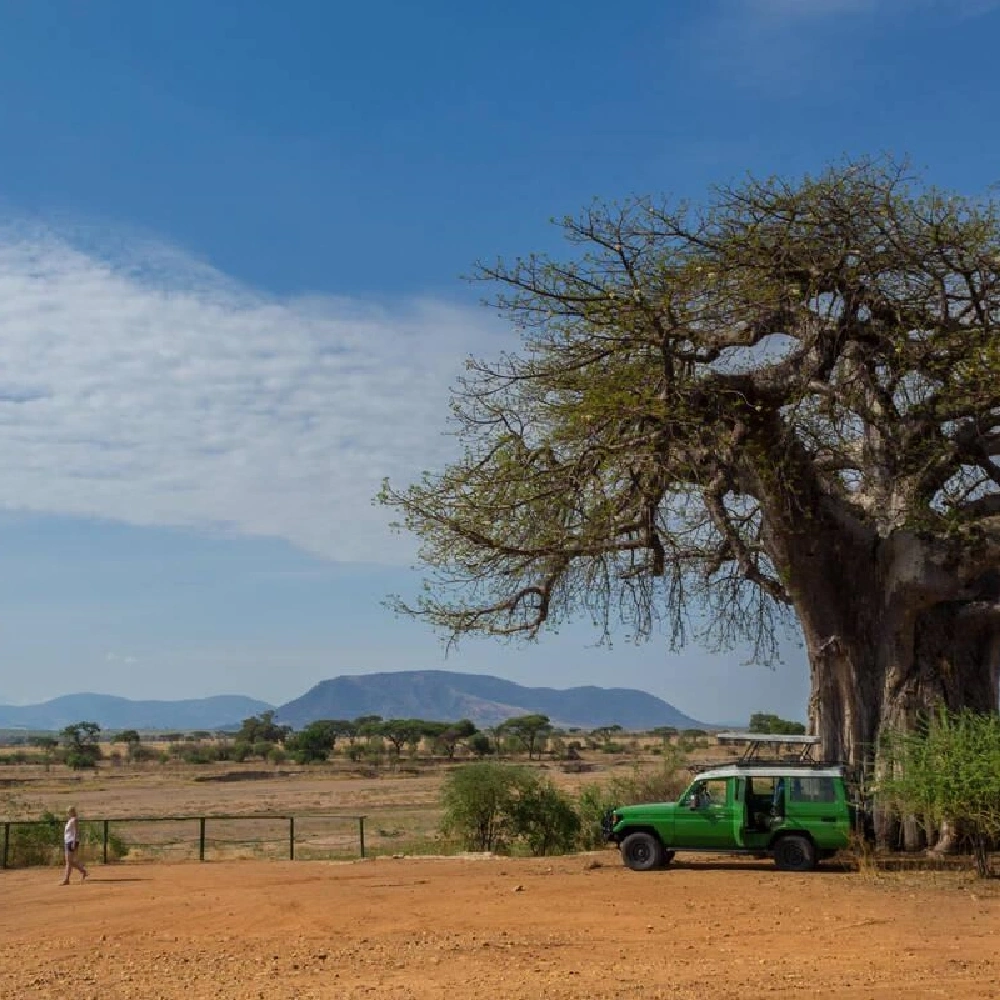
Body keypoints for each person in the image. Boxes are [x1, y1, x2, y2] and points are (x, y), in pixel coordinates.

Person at [61, 807, 88, 885]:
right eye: (68, 812)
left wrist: (73, 842)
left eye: (69, 811)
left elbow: (76, 831)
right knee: (69, 861)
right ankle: (83, 871)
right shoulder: (69, 820)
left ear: (73, 812)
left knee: (69, 862)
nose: (68, 813)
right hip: (67, 841)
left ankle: (66, 880)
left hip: (72, 841)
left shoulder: (74, 820)